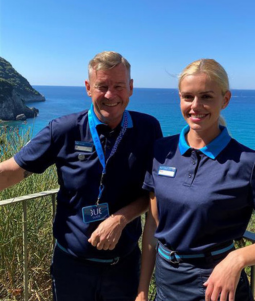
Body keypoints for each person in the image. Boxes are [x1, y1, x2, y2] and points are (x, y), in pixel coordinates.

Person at [135, 59, 255, 301]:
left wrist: (238, 259)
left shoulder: (246, 163)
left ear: (225, 100)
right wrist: (143, 290)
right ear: (180, 99)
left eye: (206, 96)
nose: (196, 106)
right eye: (188, 97)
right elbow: (154, 224)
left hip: (216, 285)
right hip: (165, 283)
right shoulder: (161, 150)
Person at [0, 51, 162, 301]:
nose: (111, 95)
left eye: (119, 86)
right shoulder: (64, 130)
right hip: (71, 266)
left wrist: (120, 218)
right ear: (88, 88)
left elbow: (153, 193)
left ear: (130, 88)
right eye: (102, 86)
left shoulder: (148, 128)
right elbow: (12, 171)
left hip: (125, 267)